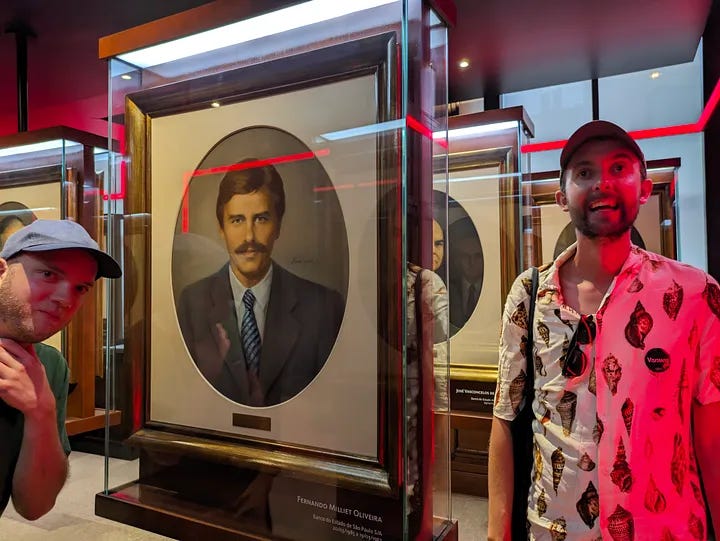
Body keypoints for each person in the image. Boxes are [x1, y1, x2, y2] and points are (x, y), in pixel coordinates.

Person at [488, 120, 720, 539]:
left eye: (618, 168)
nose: (601, 183)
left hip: (665, 526)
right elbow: (506, 417)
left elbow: (710, 433)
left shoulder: (694, 294)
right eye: (584, 172)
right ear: (562, 196)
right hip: (555, 528)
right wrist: (494, 533)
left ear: (645, 189)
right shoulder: (529, 292)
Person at [177, 159, 345, 407]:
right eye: (237, 220)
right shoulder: (192, 303)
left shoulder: (322, 306)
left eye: (261, 219)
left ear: (278, 224)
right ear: (221, 228)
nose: (249, 237)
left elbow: (333, 406)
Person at [0, 219, 121, 519]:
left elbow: (35, 506)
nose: (65, 299)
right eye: (48, 274)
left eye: (80, 287)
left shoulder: (50, 367)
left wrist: (41, 410)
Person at [448, 216, 484, 331]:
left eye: (477, 256)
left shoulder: (495, 289)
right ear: (457, 259)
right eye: (465, 256)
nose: (471, 262)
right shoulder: (446, 289)